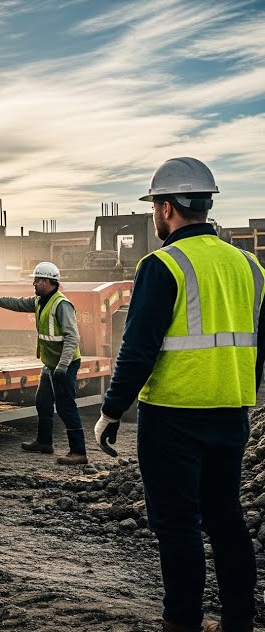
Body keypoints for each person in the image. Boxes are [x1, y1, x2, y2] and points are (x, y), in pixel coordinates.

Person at [93, 158, 265, 632]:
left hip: (173, 416)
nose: (154, 214)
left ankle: (182, 622)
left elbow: (138, 347)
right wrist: (242, 393)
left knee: (177, 524)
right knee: (226, 518)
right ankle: (238, 622)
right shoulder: (251, 266)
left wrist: (111, 410)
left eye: (154, 206)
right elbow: (260, 344)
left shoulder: (162, 264)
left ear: (166, 208)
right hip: (232, 410)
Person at [0, 261, 87, 464]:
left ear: (48, 281)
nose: (34, 283)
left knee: (65, 406)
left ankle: (79, 452)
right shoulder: (39, 301)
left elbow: (72, 338)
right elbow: (16, 303)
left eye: (37, 280)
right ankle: (44, 442)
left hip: (65, 365)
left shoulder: (61, 305)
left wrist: (62, 367)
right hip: (50, 364)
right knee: (43, 401)